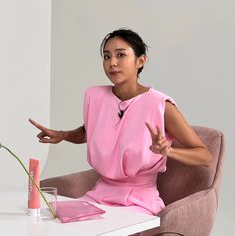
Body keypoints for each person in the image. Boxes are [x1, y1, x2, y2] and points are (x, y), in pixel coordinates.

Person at [29, 28, 212, 216]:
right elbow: (88, 131)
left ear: (140, 61)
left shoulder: (160, 105)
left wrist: (169, 151)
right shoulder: (95, 96)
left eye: (121, 55)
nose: (112, 63)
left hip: (139, 202)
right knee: (54, 223)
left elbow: (205, 156)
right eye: (107, 56)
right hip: (99, 196)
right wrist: (63, 135)